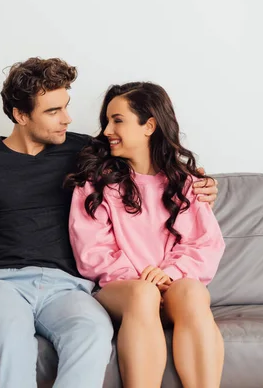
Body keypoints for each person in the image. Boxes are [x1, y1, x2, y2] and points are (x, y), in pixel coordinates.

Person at [0, 58, 218, 388]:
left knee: (92, 332)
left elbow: (145, 156)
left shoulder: (86, 152)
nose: (67, 119)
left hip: (68, 288)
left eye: (66, 107)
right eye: (53, 111)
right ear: (20, 115)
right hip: (1, 283)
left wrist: (200, 182)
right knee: (9, 333)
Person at [66, 82, 225, 388]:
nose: (107, 130)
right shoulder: (94, 183)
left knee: (192, 292)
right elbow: (92, 251)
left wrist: (168, 274)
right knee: (143, 294)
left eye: (118, 120)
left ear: (149, 125)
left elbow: (205, 244)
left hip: (174, 289)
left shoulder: (187, 183)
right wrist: (143, 280)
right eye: (107, 121)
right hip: (125, 293)